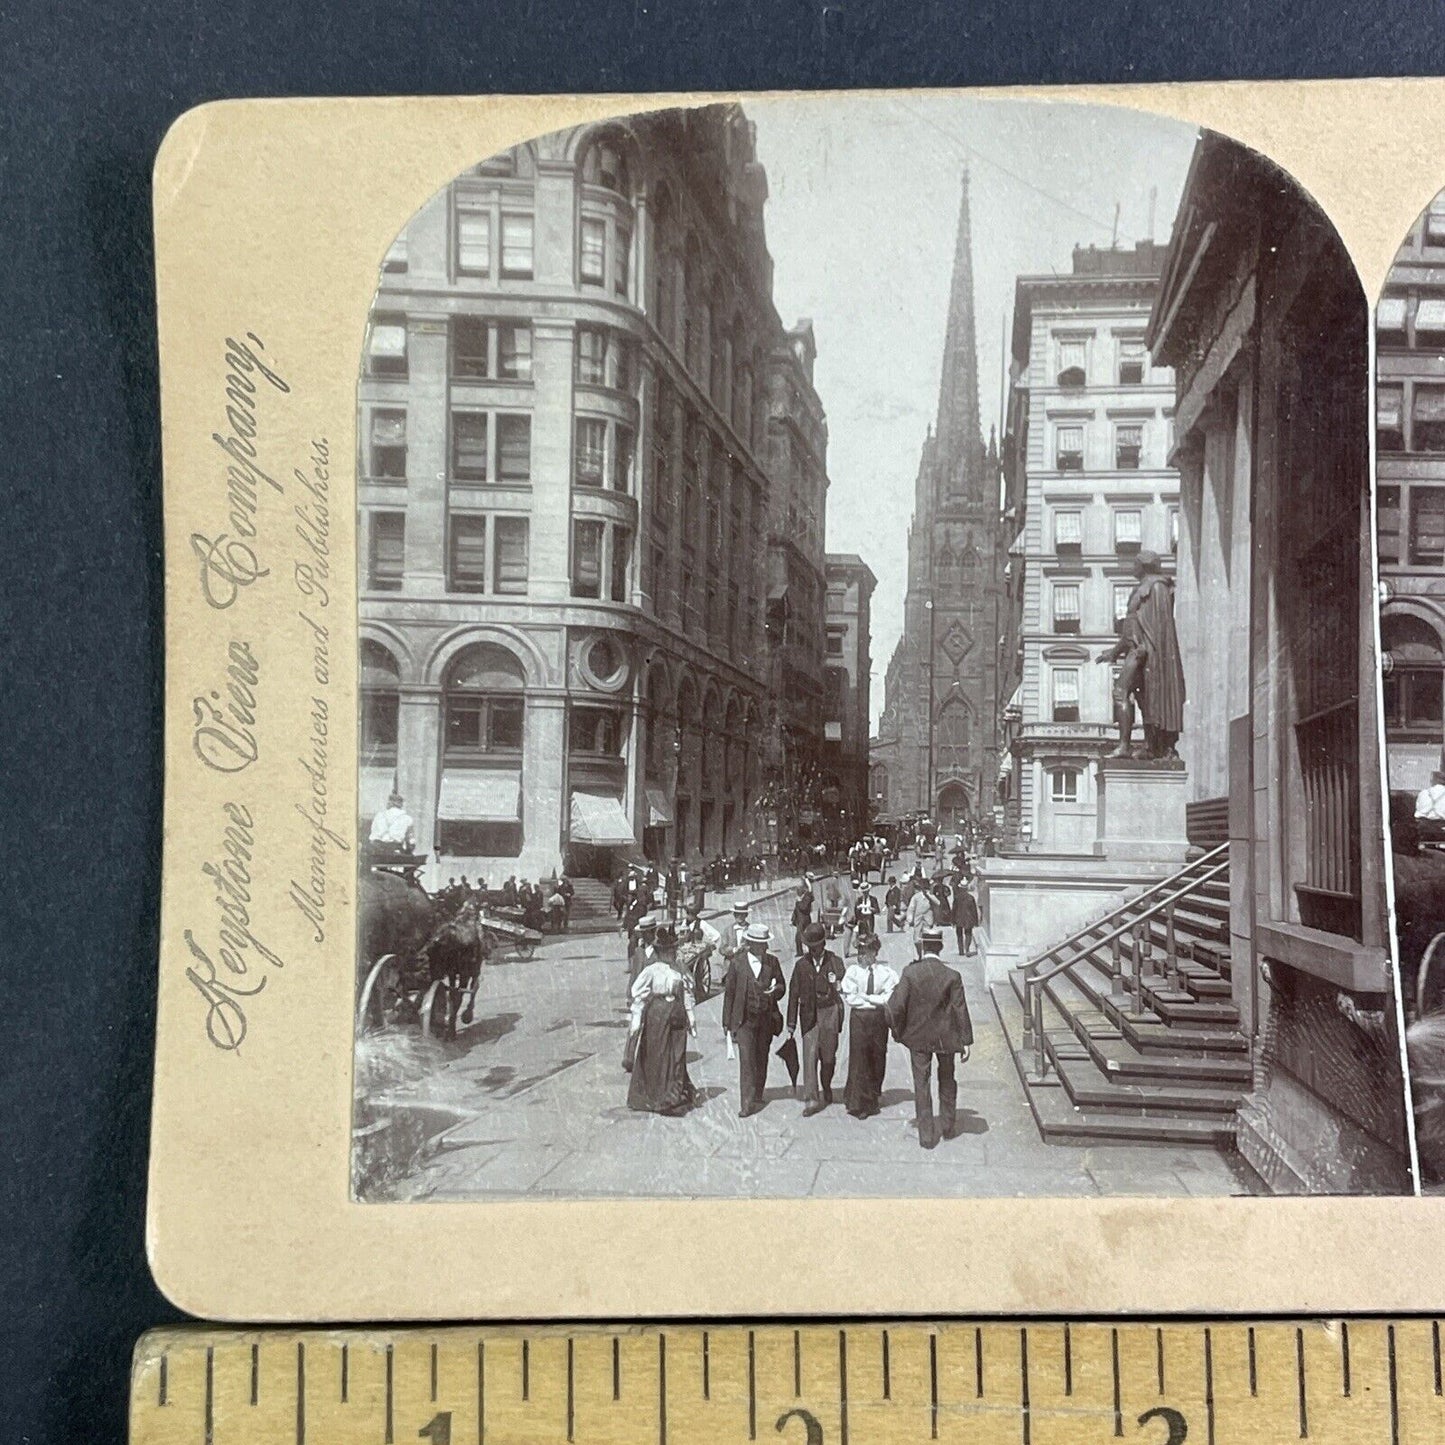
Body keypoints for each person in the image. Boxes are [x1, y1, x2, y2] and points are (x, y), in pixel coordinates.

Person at [887, 925, 973, 1149]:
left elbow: (895, 1007)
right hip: (946, 1037)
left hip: (919, 1038)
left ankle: (926, 1135)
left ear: (922, 946)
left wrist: (898, 1032)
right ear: (941, 947)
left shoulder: (910, 972)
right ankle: (948, 1125)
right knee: (947, 1079)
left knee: (921, 1083)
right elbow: (960, 1009)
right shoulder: (953, 976)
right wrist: (966, 1041)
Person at [1097, 548, 1186, 761]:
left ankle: (1127, 746)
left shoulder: (1157, 588)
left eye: (1135, 563)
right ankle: (1149, 745)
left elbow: (1157, 628)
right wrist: (1116, 651)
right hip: (1137, 650)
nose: (1132, 566)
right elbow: (1132, 626)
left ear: (1144, 565)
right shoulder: (1145, 588)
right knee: (1143, 699)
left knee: (1121, 692)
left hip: (1143, 652)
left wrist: (1143, 652)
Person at [626, 930, 698, 1115]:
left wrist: (691, 1017)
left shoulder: (679, 969)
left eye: (673, 950)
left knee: (677, 1054)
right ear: (660, 952)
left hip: (677, 1015)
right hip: (657, 1017)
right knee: (657, 1056)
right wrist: (636, 1020)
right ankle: (656, 1096)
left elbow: (688, 992)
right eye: (668, 951)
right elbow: (638, 996)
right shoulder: (651, 971)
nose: (672, 953)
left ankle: (675, 1094)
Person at [722, 922, 786, 1117]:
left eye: (765, 943)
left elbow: (782, 986)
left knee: (761, 1057)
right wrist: (727, 1023)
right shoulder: (737, 963)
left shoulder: (772, 962)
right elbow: (730, 994)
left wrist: (775, 992)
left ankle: (757, 1093)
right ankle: (746, 1103)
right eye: (760, 944)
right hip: (744, 1021)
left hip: (766, 1019)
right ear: (750, 944)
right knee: (747, 1060)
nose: (764, 947)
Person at [787, 921, 847, 1116]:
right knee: (809, 1056)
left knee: (828, 1057)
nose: (813, 951)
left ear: (823, 944)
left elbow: (843, 978)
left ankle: (827, 1085)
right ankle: (811, 1099)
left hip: (830, 1012)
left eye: (816, 947)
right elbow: (793, 994)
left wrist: (836, 980)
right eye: (810, 947)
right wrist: (791, 1024)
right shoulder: (801, 965)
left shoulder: (834, 961)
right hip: (809, 1015)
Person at [841, 931, 897, 1119]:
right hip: (860, 1018)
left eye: (865, 952)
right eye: (859, 952)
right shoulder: (853, 972)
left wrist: (866, 997)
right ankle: (858, 1102)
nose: (862, 956)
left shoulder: (886, 973)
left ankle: (873, 1096)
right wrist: (873, 1000)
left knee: (877, 1055)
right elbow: (851, 998)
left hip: (879, 1020)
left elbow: (889, 997)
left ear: (875, 953)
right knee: (859, 1058)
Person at [628, 914, 661, 989]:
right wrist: (629, 995)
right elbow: (634, 974)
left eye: (648, 932)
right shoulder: (639, 951)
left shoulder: (659, 950)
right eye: (642, 933)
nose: (644, 936)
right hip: (640, 991)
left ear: (654, 931)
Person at [951, 876, 980, 957]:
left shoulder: (957, 897)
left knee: (959, 934)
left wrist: (952, 920)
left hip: (958, 918)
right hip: (968, 918)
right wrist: (976, 921)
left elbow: (954, 909)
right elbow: (974, 910)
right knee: (968, 934)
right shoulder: (971, 898)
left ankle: (961, 950)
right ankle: (967, 949)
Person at [905, 880, 936, 949]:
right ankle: (919, 955)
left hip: (928, 921)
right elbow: (911, 908)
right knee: (916, 939)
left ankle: (925, 955)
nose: (926, 890)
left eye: (927, 888)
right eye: (924, 888)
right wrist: (910, 919)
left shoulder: (931, 896)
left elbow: (938, 903)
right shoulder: (916, 897)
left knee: (927, 938)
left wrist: (930, 896)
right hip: (918, 920)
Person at [791, 881, 816, 957]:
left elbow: (803, 907)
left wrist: (798, 902)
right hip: (800, 920)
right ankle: (801, 951)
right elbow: (796, 910)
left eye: (798, 890)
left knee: (802, 936)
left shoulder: (807, 897)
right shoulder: (803, 897)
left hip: (804, 920)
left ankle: (804, 951)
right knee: (801, 936)